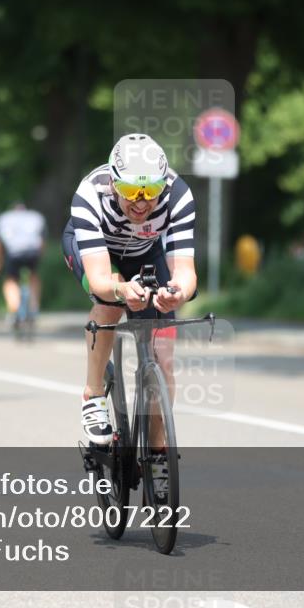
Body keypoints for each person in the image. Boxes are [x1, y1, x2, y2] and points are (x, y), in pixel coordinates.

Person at [62, 133, 197, 492]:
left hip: (145, 251)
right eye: (130, 191)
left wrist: (176, 293)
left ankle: (157, 455)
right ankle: (93, 395)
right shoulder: (90, 194)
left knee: (163, 355)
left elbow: (185, 272)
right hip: (97, 250)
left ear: (163, 185)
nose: (141, 202)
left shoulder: (178, 195)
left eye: (150, 191)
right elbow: (99, 280)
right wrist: (122, 290)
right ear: (113, 182)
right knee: (109, 301)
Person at [0, 203, 46, 325]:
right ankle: (34, 307)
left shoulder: (4, 218)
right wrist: (40, 258)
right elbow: (42, 241)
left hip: (14, 252)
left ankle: (14, 310)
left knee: (10, 280)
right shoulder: (36, 217)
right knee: (33, 276)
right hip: (32, 252)